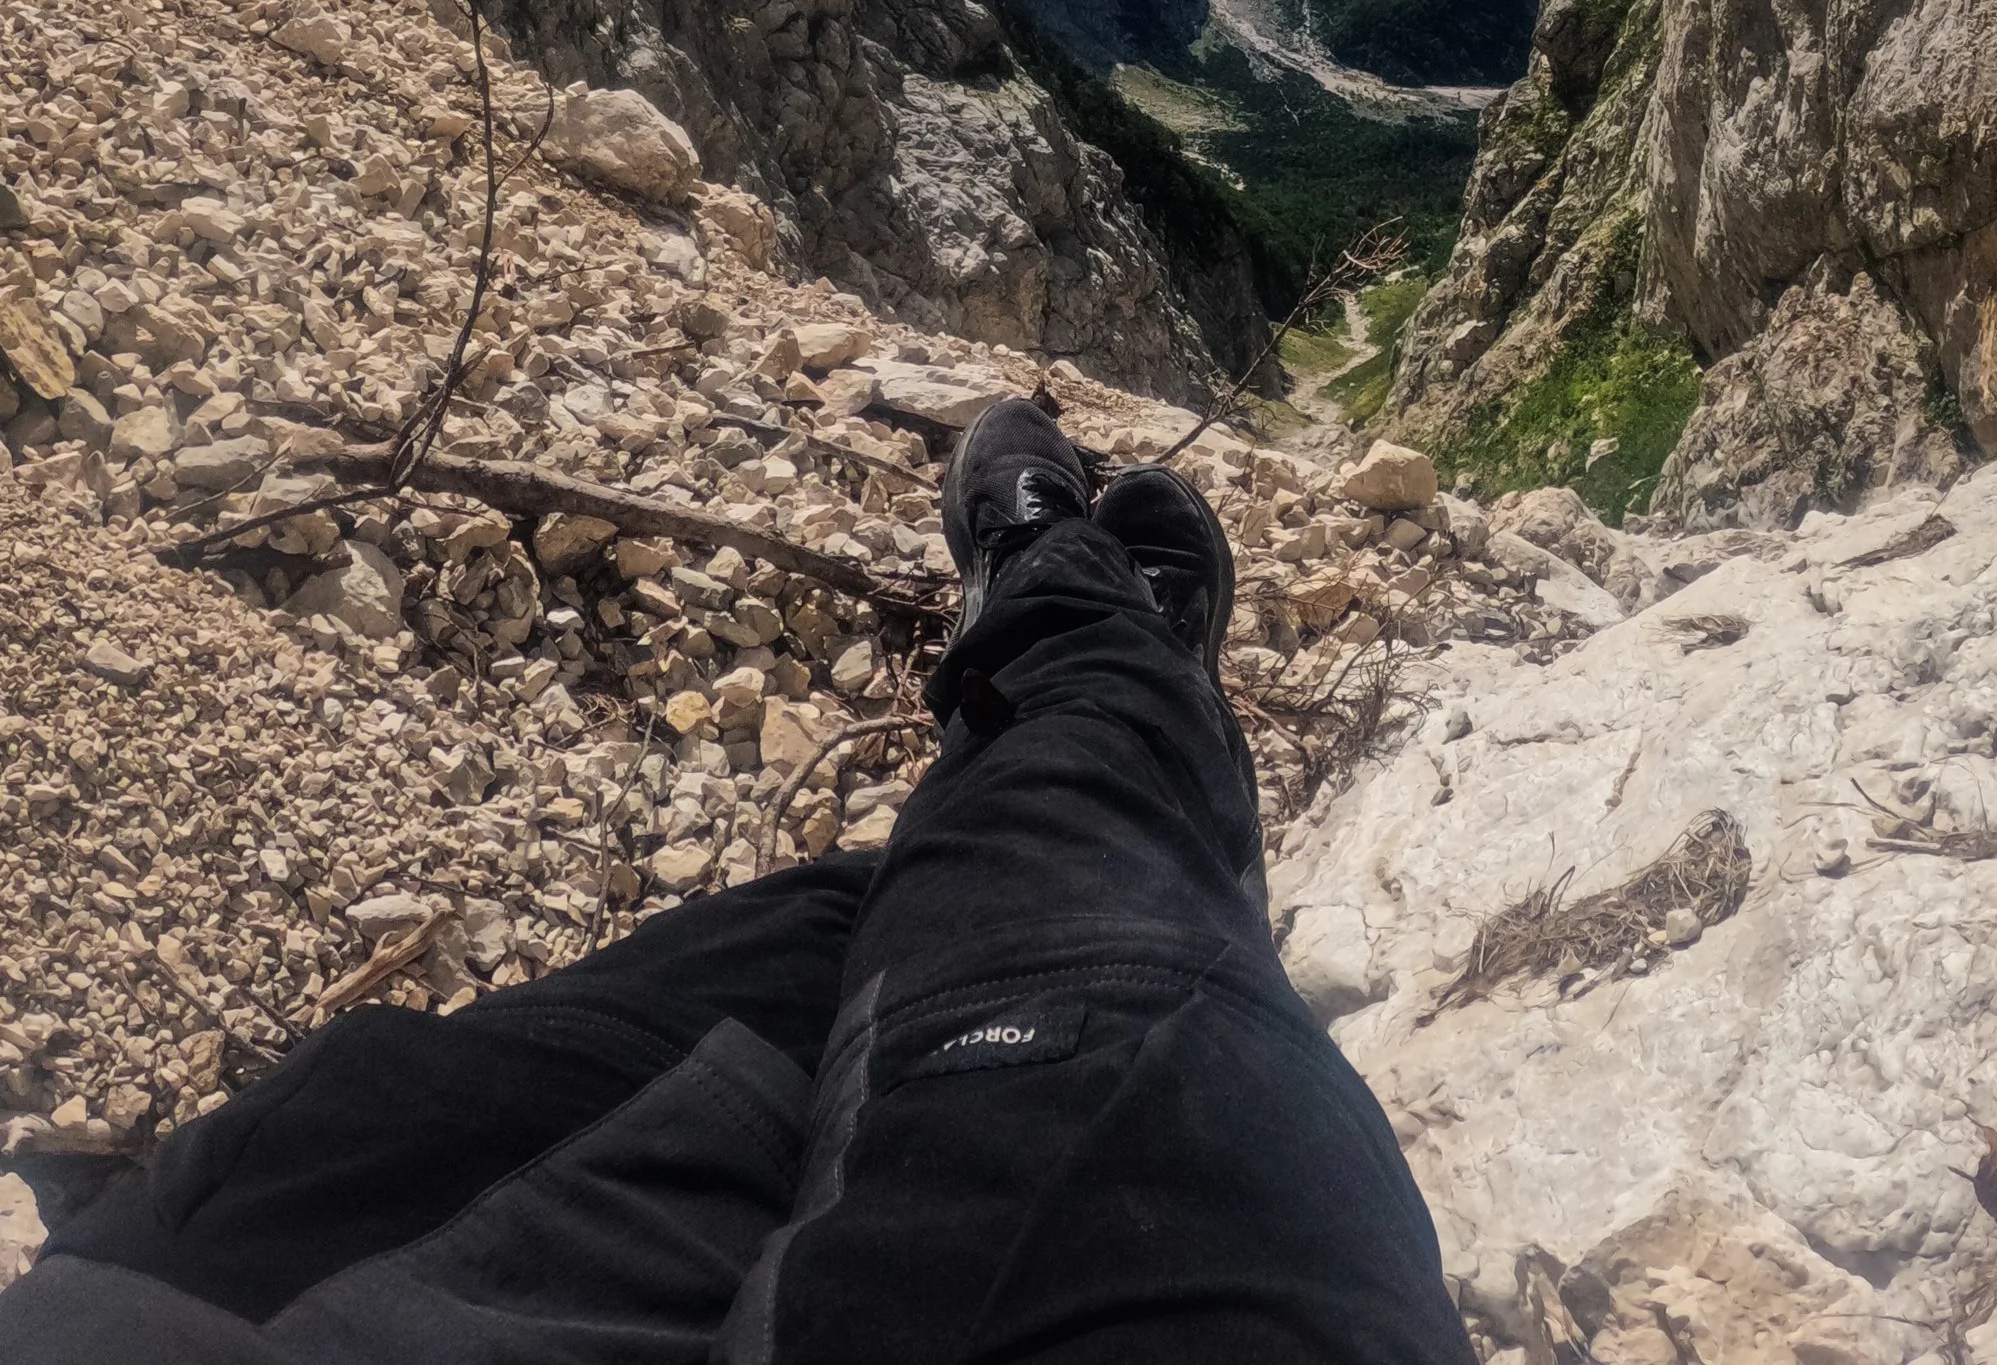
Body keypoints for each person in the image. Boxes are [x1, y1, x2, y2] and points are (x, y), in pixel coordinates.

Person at [1, 401, 1476, 1361]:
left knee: (850, 935)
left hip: (218, 1311)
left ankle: (1059, 650)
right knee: (1048, 885)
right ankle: (1091, 639)